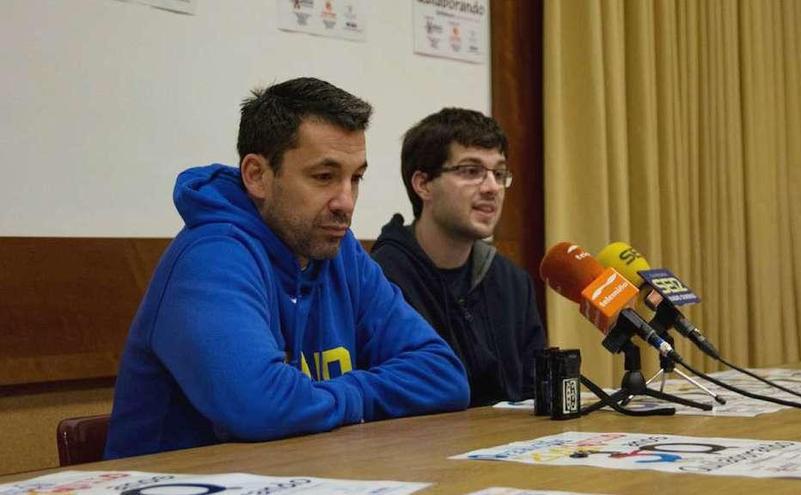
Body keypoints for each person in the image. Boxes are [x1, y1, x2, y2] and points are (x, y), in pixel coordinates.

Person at [105, 78, 469, 459]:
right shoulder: (211, 257)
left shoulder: (339, 251)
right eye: (324, 177)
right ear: (257, 176)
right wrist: (357, 396)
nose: (346, 201)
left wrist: (333, 397)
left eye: (356, 178)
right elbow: (260, 405)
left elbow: (443, 374)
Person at [371, 108, 545, 407]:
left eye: (499, 173)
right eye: (471, 171)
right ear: (423, 184)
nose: (492, 188)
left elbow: (534, 394)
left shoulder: (513, 282)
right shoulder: (381, 279)